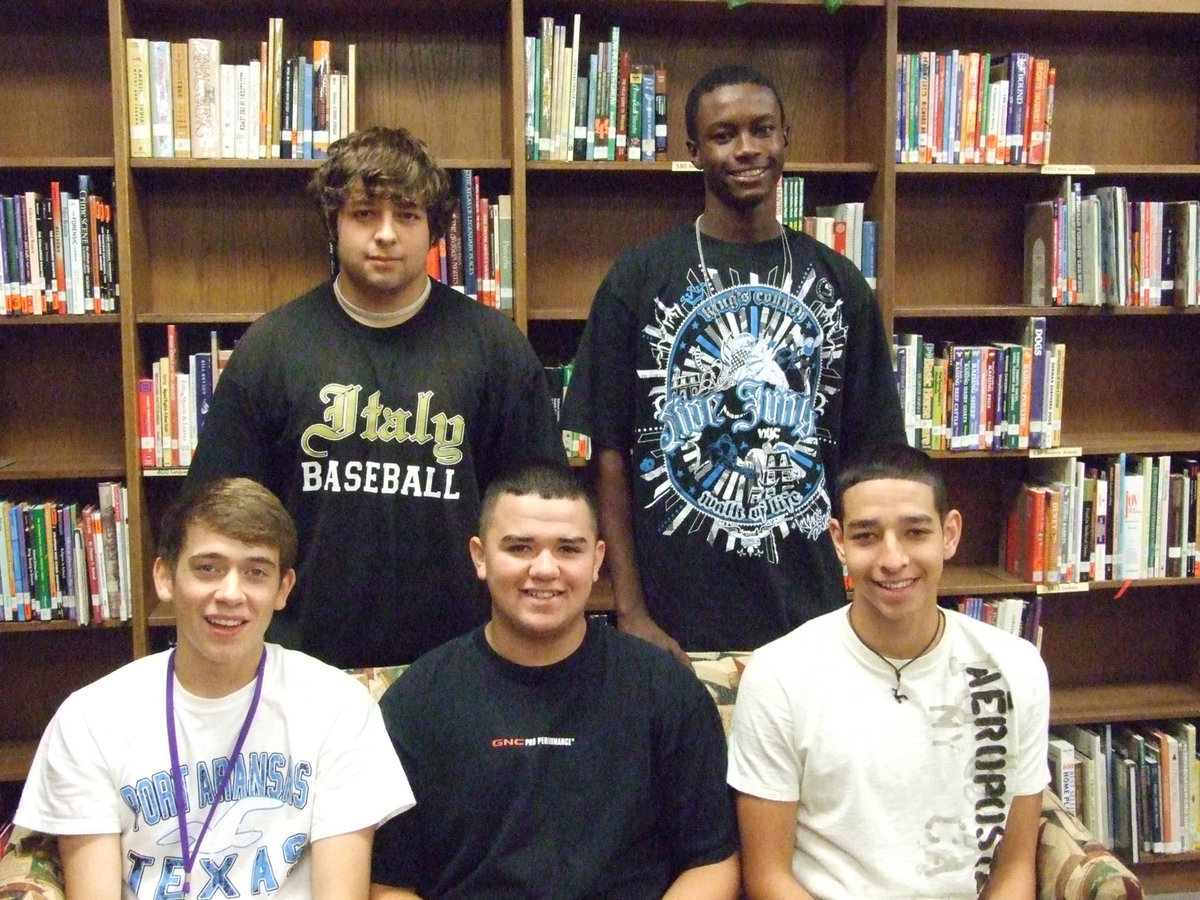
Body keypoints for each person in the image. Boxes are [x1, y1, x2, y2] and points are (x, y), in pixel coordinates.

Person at [559, 64, 904, 661]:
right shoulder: (638, 279)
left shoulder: (839, 282)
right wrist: (631, 610)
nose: (746, 149)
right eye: (724, 135)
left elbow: (874, 461)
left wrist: (868, 603)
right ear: (695, 151)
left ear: (785, 139)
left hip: (815, 617)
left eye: (762, 129)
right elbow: (608, 455)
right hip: (674, 624)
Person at [187, 126, 563, 668]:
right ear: (333, 224)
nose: (386, 234)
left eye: (407, 215)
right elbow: (218, 514)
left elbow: (540, 513)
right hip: (304, 658)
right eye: (364, 214)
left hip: (465, 660)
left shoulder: (495, 348)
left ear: (434, 230)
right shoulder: (273, 348)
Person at [15, 477, 414, 898]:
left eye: (255, 573)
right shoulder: (91, 719)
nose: (230, 594)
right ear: (165, 577)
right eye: (208, 568)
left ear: (283, 589)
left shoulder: (338, 708)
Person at [369, 463, 740, 899]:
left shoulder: (666, 691)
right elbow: (388, 885)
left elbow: (712, 864)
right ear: (480, 557)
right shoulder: (417, 702)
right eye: (520, 548)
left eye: (568, 549)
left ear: (598, 560)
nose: (545, 569)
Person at [727, 443, 1049, 899]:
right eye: (866, 536)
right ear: (838, 540)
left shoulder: (1016, 668)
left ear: (950, 534)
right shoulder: (779, 675)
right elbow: (767, 876)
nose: (893, 559)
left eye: (916, 533)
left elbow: (1014, 868)